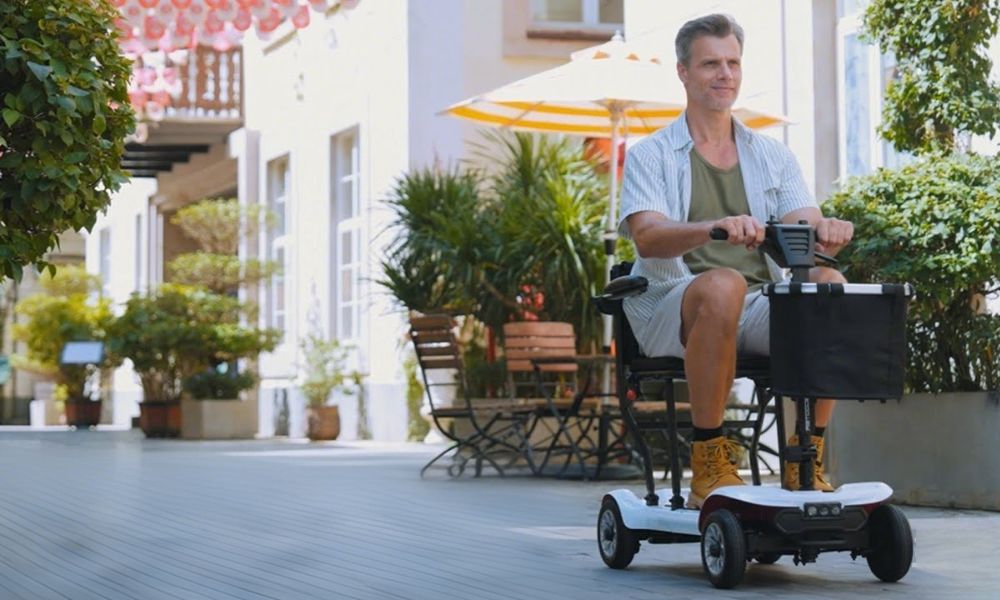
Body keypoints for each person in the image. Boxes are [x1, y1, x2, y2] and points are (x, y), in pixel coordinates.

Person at [618, 14, 854, 508]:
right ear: (683, 72)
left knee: (827, 284)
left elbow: (806, 231)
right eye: (711, 64)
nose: (725, 74)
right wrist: (713, 228)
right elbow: (648, 238)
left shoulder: (771, 154)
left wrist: (828, 231)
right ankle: (709, 461)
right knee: (723, 283)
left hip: (757, 304)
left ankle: (805, 457)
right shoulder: (651, 154)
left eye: (733, 63)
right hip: (672, 303)